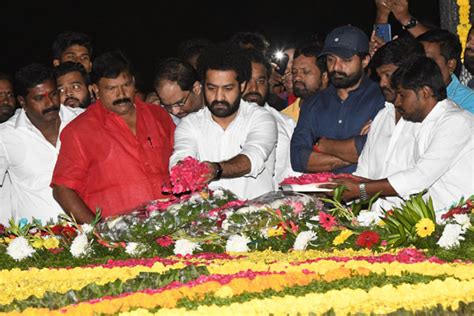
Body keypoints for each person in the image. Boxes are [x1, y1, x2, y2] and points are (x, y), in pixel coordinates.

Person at [327, 56, 474, 218]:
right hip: (432, 222)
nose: (396, 102)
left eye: (402, 96)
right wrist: (346, 186)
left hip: (460, 225)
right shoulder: (422, 122)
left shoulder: (456, 121)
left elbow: (418, 178)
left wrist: (360, 189)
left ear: (425, 92)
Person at [51, 51, 175, 223]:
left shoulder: (158, 115)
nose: (121, 94)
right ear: (95, 89)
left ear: (133, 82)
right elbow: (62, 189)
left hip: (171, 229)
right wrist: (97, 231)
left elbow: (182, 163)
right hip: (118, 242)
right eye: (111, 88)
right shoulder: (79, 131)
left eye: (126, 85)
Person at [170, 45, 277, 199]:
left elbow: (252, 158)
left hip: (259, 217)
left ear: (242, 86)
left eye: (227, 88)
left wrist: (216, 170)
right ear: (202, 86)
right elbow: (181, 156)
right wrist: (181, 168)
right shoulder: (190, 124)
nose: (219, 97)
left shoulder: (261, 118)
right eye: (212, 88)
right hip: (206, 221)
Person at [291, 25, 385, 174]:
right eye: (330, 60)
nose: (336, 67)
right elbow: (298, 159)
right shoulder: (313, 103)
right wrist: (355, 153)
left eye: (346, 60)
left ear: (365, 60)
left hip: (369, 195)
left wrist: (322, 145)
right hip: (321, 195)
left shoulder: (383, 98)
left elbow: (382, 149)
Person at [0, 63, 83, 223]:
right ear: (22, 101)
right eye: (39, 98)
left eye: (53, 94)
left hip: (91, 236)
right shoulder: (6, 137)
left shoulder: (81, 120)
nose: (50, 103)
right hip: (37, 243)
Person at [355, 36, 425, 211]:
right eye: (380, 76)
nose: (383, 83)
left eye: (388, 75)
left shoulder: (429, 120)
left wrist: (358, 190)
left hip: (418, 228)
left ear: (412, 72)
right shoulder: (381, 117)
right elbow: (362, 175)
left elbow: (420, 180)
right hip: (373, 227)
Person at [242, 48, 298, 184]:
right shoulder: (219, 124)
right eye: (247, 81)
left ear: (269, 82)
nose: (254, 88)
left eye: (260, 81)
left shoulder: (287, 123)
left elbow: (295, 174)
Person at [418, 29, 474, 113]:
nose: (420, 66)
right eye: (417, 60)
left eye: (428, 61)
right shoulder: (408, 95)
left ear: (450, 65)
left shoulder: (468, 102)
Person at [281, 43, 329, 122]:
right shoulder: (283, 119)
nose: (297, 77)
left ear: (324, 77)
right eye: (294, 72)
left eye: (305, 72)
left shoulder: (342, 113)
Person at [153, 58, 204, 125]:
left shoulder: (218, 109)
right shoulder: (163, 113)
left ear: (196, 89)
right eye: (167, 106)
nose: (174, 112)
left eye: (179, 103)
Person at [0, 72, 17, 225]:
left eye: (10, 94)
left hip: (25, 230)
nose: (5, 100)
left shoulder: (24, 129)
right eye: (0, 94)